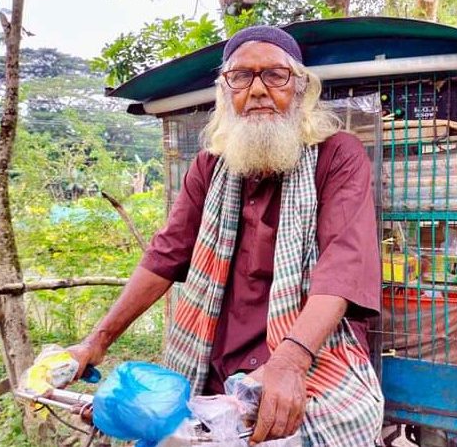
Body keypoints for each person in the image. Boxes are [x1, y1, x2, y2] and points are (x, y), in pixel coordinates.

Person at [68, 25, 384, 446]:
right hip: (215, 363)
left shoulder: (336, 154)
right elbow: (165, 256)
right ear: (226, 93)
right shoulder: (208, 167)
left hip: (310, 354)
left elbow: (342, 266)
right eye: (241, 77)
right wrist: (97, 340)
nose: (257, 90)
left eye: (275, 75)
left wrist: (289, 362)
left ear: (300, 89)